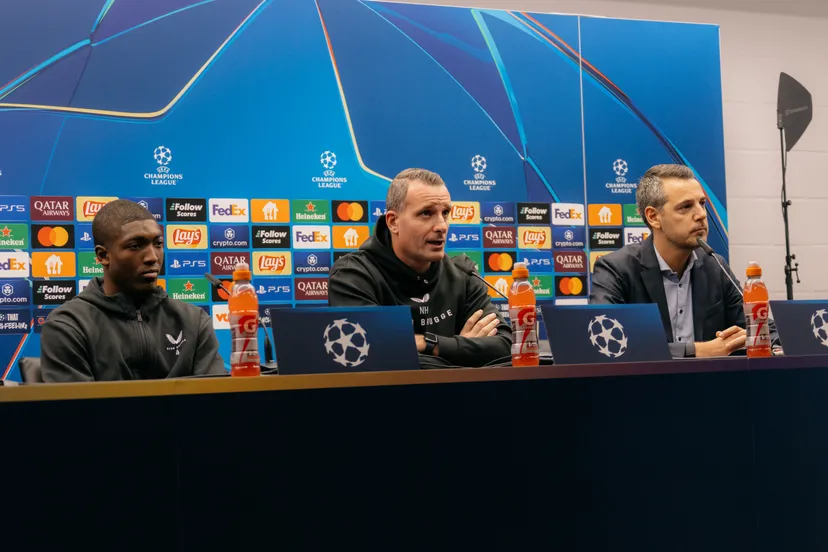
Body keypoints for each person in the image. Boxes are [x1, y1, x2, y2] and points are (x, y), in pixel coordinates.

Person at [328, 168, 512, 367]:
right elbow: (374, 357)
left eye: (445, 213)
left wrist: (427, 344)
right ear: (393, 222)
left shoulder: (463, 273)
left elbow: (505, 346)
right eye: (426, 213)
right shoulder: (352, 277)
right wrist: (464, 350)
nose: (441, 226)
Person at [40, 200, 227, 381]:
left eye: (158, 244)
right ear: (103, 255)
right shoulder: (68, 326)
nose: (153, 257)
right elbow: (76, 412)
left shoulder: (194, 321)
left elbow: (216, 404)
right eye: (135, 246)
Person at [590, 164, 751, 359]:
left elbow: (761, 329)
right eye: (686, 207)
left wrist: (751, 337)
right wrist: (697, 351)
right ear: (654, 217)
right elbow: (604, 342)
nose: (701, 214)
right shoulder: (616, 269)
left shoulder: (715, 265)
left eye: (702, 204)